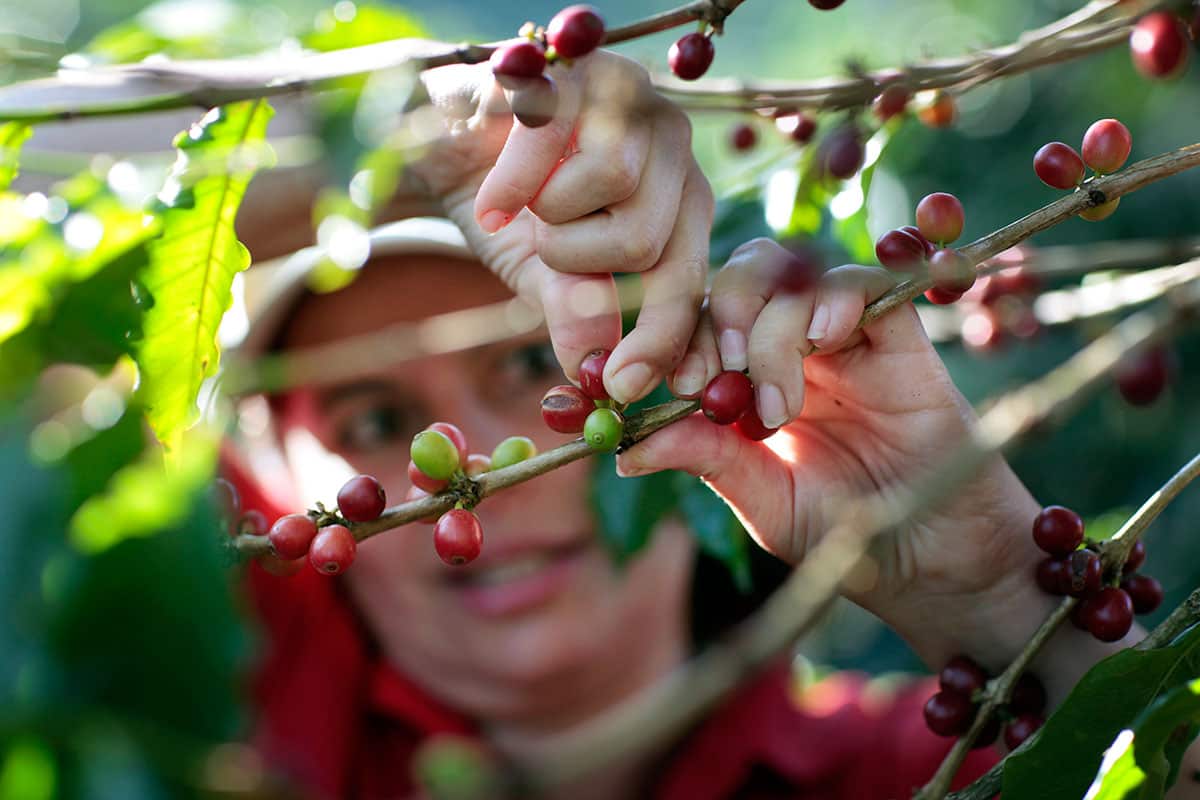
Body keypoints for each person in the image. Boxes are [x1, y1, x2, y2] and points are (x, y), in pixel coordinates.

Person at [221, 48, 1165, 800]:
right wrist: (404, 140)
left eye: (520, 364)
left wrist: (999, 595)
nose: (469, 454)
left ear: (673, 365)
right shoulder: (213, 718)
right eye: (375, 416)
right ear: (269, 484)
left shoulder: (914, 774)